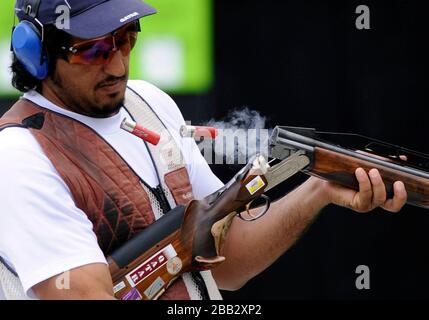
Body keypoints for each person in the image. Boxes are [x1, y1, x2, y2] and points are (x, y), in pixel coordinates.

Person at [0, 0, 407, 300]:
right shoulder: (21, 154)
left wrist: (320, 189)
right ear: (36, 54)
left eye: (126, 40)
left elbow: (228, 261)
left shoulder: (148, 102)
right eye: (93, 50)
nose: (119, 65)